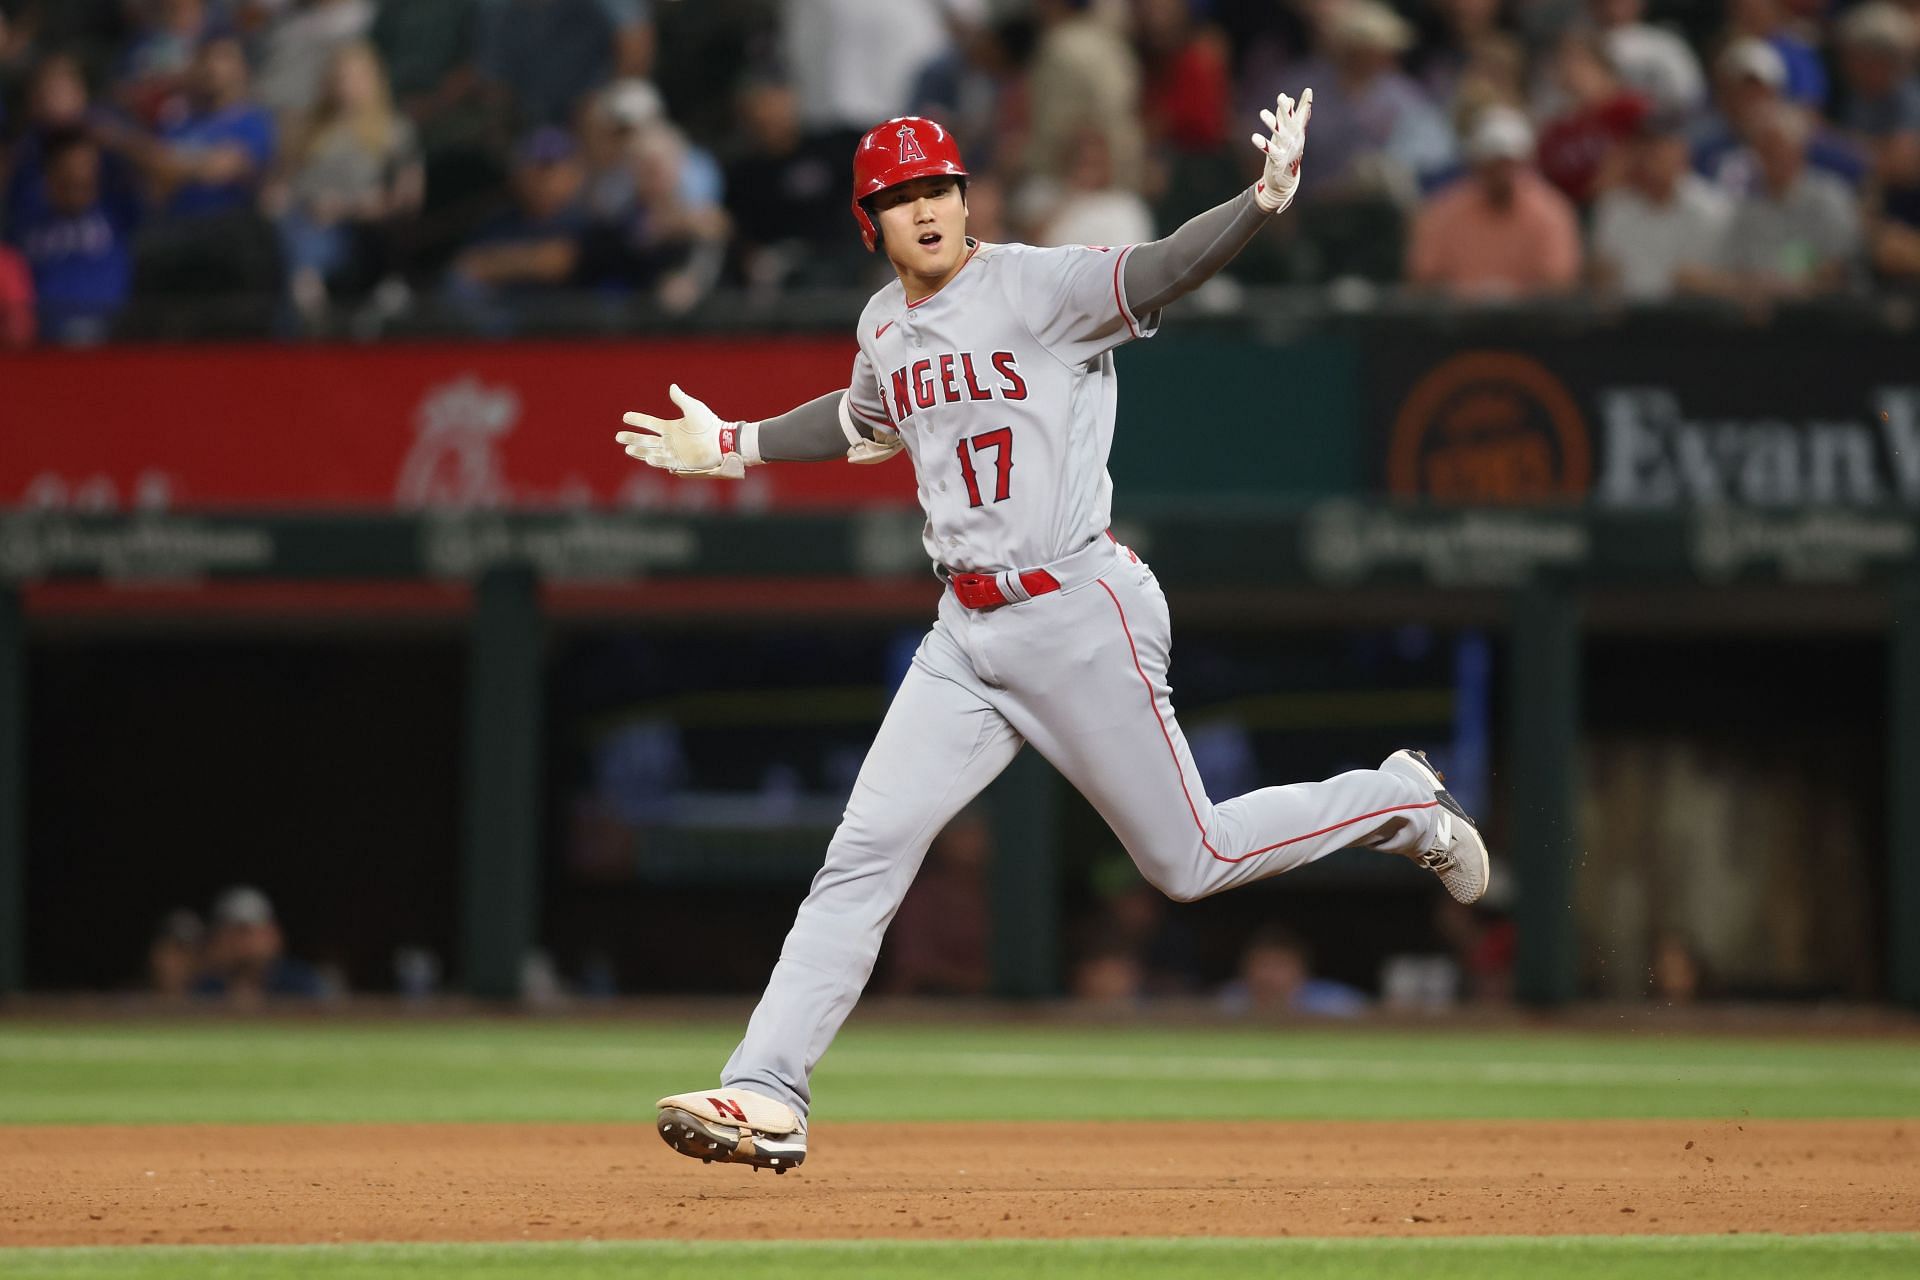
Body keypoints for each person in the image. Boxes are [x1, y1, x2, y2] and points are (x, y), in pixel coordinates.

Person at [622, 94, 1490, 1174]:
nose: (927, 208)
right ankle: (767, 1088)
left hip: (1079, 609)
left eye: (939, 185)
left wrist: (1261, 202)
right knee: (862, 854)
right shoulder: (882, 326)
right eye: (900, 196)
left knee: (1191, 858)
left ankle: (1397, 798)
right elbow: (861, 421)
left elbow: (1165, 264)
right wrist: (739, 441)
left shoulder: (1039, 285)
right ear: (871, 223)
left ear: (965, 195)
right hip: (964, 633)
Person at [1407, 105, 1583, 299]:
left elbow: (1558, 283)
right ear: (1477, 164)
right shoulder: (1443, 212)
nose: (1502, 174)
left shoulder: (1551, 212)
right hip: (1457, 324)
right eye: (1493, 164)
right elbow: (1424, 280)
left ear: (1525, 164)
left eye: (1508, 164)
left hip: (1530, 325)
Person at [1589, 109, 1732, 299]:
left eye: (1660, 148)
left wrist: (1711, 282)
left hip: (1692, 317)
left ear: (1682, 153)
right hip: (1628, 319)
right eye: (1645, 148)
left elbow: (1730, 282)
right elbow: (1601, 279)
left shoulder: (1712, 208)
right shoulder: (1614, 207)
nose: (1651, 158)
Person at [192, 885, 329, 1005]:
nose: (239, 942)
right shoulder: (205, 986)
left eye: (246, 931)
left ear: (273, 935)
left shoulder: (301, 982)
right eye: (229, 932)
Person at [1217, 924, 1368, 1017]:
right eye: (1263, 965)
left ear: (1301, 970)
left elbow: (1376, 1014)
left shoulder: (1332, 1001)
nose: (1268, 976)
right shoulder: (1231, 999)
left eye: (1279, 966)